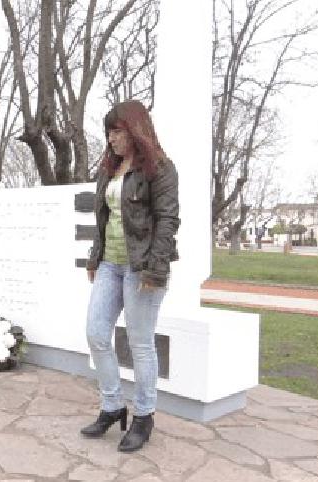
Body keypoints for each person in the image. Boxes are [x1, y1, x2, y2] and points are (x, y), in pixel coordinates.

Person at [80, 100, 179, 452]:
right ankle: (112, 405)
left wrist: (155, 269)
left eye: (117, 131)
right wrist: (95, 258)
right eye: (108, 132)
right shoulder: (110, 169)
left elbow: (167, 222)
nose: (111, 138)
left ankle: (144, 416)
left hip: (142, 268)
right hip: (110, 264)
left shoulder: (161, 169)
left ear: (136, 130)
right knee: (96, 334)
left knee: (140, 343)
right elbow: (102, 220)